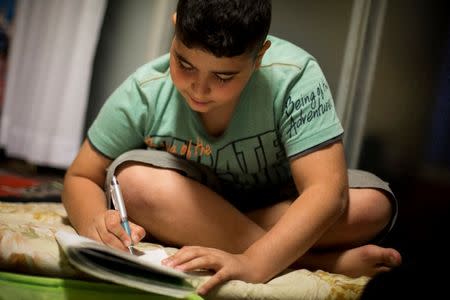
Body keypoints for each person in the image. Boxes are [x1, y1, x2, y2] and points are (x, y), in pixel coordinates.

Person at [62, 0, 402, 296]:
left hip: (274, 204)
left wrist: (254, 264)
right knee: (134, 183)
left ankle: (246, 243)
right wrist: (95, 219)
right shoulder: (145, 90)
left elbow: (326, 192)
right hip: (191, 198)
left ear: (259, 57)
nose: (199, 88)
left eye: (223, 77)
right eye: (185, 64)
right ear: (176, 27)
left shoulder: (294, 76)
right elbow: (81, 175)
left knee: (371, 205)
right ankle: (314, 260)